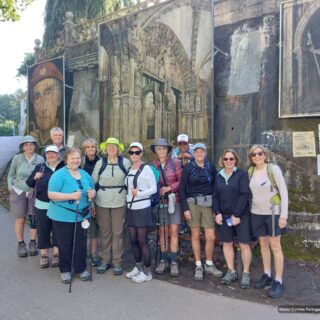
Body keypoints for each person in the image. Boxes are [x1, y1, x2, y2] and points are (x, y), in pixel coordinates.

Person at [47, 147, 95, 284]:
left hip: (82, 215)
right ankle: (65, 270)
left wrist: (92, 193)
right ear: (66, 159)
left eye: (78, 158)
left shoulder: (85, 174)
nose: (75, 160)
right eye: (72, 158)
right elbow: (51, 195)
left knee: (80, 242)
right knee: (65, 243)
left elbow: (91, 189)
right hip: (63, 216)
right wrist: (71, 196)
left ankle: (80, 268)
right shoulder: (59, 175)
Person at [248, 145, 288, 298]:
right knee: (263, 245)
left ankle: (278, 281)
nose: (257, 156)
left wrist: (283, 215)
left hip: (273, 213)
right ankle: (267, 275)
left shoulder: (273, 169)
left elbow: (283, 192)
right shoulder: (250, 172)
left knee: (275, 246)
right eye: (254, 154)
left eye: (260, 153)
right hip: (257, 213)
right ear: (251, 157)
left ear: (264, 155)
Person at [179, 143, 223, 281]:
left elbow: (216, 187)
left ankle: (209, 263)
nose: (199, 154)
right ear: (193, 154)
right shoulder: (188, 168)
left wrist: (217, 208)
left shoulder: (210, 167)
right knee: (195, 235)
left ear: (205, 153)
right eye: (196, 151)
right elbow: (181, 189)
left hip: (208, 203)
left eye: (202, 151)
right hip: (193, 204)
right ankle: (198, 264)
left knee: (210, 236)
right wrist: (185, 209)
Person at [92, 137, 131, 275]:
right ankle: (104, 260)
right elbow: (93, 183)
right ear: (105, 148)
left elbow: (131, 181)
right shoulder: (100, 163)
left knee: (118, 232)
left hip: (119, 201)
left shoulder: (125, 162)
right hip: (102, 201)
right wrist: (91, 202)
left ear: (118, 148)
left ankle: (117, 262)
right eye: (109, 146)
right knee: (105, 232)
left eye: (114, 146)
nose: (111, 148)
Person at [213, 149, 252, 288]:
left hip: (241, 215)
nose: (228, 161)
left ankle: (246, 273)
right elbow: (215, 196)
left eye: (231, 159)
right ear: (222, 161)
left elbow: (244, 194)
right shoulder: (218, 175)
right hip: (224, 216)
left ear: (235, 160)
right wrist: (217, 212)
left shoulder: (241, 174)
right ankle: (231, 271)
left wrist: (236, 215)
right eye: (226, 159)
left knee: (244, 244)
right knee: (227, 243)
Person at [26, 145, 64, 268]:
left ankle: (57, 255)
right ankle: (44, 256)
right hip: (42, 205)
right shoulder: (40, 167)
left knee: (58, 230)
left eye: (53, 153)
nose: (51, 155)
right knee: (43, 230)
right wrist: (35, 177)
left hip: (60, 205)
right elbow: (30, 183)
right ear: (45, 155)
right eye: (48, 153)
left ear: (58, 154)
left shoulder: (64, 167)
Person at [125, 142, 157, 283]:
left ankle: (148, 272)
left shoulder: (146, 169)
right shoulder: (129, 168)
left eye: (137, 152)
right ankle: (138, 267)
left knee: (142, 240)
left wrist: (140, 193)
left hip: (142, 208)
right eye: (131, 152)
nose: (134, 155)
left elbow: (154, 189)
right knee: (133, 240)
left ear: (141, 153)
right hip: (131, 208)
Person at [7, 135, 44, 257]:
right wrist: (10, 187)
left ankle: (33, 243)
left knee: (34, 219)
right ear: (23, 147)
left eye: (31, 144)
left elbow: (43, 175)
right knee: (20, 218)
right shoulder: (17, 158)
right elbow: (11, 174)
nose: (29, 146)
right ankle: (21, 244)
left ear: (35, 146)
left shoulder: (40, 159)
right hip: (18, 191)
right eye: (26, 144)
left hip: (34, 191)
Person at [150, 138, 182, 277]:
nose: (161, 150)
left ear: (168, 150)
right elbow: (149, 182)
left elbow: (182, 181)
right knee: (163, 231)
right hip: (161, 202)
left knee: (174, 231)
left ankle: (174, 261)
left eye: (163, 148)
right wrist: (158, 189)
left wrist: (170, 187)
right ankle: (163, 259)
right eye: (158, 148)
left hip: (174, 200)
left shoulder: (175, 163)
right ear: (156, 151)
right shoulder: (153, 165)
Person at [29, 61, 63, 147]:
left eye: (48, 93)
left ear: (58, 98)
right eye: (37, 98)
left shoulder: (68, 133)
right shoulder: (32, 140)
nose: (43, 108)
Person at [81, 138, 101, 266]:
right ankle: (82, 253)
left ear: (96, 148)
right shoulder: (81, 161)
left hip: (97, 196)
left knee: (93, 227)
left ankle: (93, 254)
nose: (90, 149)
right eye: (87, 147)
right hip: (82, 196)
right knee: (82, 226)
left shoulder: (101, 161)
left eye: (92, 147)